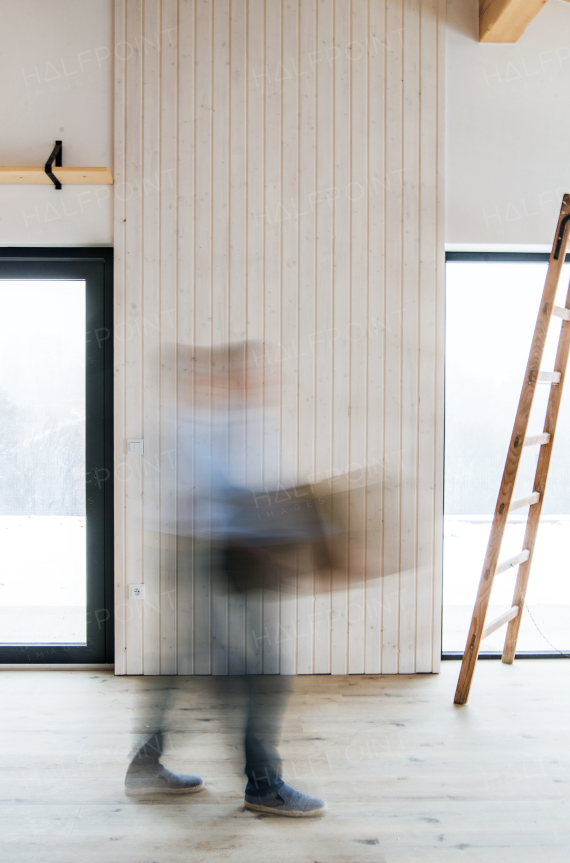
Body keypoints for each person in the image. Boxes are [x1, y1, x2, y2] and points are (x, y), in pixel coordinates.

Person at [123, 341, 328, 817]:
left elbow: (262, 486)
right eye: (244, 373)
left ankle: (146, 765)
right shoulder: (184, 425)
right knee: (259, 671)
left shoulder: (241, 421)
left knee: (196, 667)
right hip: (212, 556)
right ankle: (261, 783)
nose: (256, 380)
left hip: (239, 554)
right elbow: (222, 493)